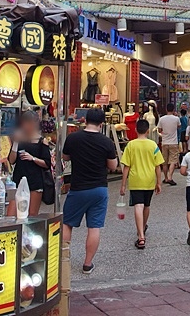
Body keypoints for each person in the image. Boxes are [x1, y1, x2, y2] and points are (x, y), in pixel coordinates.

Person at [62, 108, 118, 275]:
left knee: (67, 223)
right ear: (101, 124)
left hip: (78, 188)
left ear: (85, 121)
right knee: (94, 227)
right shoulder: (106, 142)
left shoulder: (73, 138)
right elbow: (113, 166)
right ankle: (87, 264)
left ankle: (63, 259)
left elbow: (65, 157)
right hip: (99, 189)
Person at [120, 119, 163, 249]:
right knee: (146, 205)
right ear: (148, 131)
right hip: (149, 180)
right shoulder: (153, 145)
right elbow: (158, 166)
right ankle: (143, 227)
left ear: (135, 130)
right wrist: (159, 182)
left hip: (135, 179)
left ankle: (141, 237)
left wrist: (123, 185)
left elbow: (126, 166)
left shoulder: (131, 145)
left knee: (138, 206)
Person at [7, 110, 52, 217]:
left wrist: (33, 158)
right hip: (18, 179)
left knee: (32, 215)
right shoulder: (18, 139)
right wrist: (16, 143)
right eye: (24, 123)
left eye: (29, 123)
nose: (26, 126)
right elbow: (11, 160)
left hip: (35, 180)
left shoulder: (42, 141)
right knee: (11, 215)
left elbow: (47, 164)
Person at [158, 103, 180, 185]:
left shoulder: (162, 119)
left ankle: (166, 178)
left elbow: (159, 130)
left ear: (166, 109)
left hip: (164, 142)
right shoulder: (176, 119)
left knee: (164, 162)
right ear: (173, 110)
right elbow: (179, 126)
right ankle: (170, 177)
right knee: (173, 160)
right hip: (174, 142)